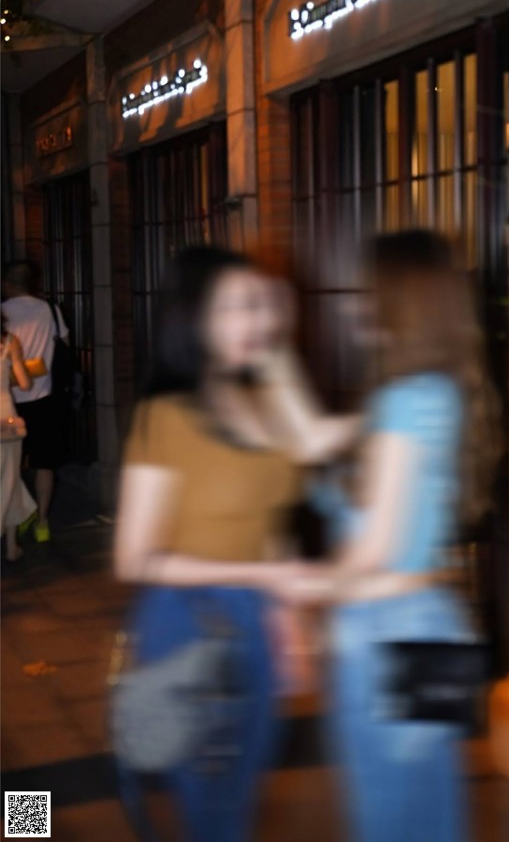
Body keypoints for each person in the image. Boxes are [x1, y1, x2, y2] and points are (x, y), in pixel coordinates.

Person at [113, 246, 360, 842]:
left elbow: (284, 496)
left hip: (255, 621)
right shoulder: (166, 415)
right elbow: (134, 557)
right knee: (211, 815)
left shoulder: (262, 399)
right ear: (196, 318)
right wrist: (263, 579)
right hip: (186, 629)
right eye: (239, 307)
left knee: (239, 803)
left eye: (261, 306)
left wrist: (293, 618)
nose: (258, 321)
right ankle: (24, 821)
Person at [279, 230, 502, 842]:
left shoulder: (403, 403)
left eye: (368, 290)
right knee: (430, 812)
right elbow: (313, 439)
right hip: (432, 620)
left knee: (390, 818)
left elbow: (373, 546)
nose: (356, 303)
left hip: (384, 633)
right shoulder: (437, 394)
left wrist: (305, 589)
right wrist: (273, 355)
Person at [2, 261, 70, 543]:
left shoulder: (3, 312)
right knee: (45, 463)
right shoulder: (50, 310)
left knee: (10, 468)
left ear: (8, 283)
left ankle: (13, 528)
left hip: (9, 401)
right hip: (44, 397)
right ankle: (42, 522)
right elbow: (63, 340)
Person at [0, 313, 37, 562]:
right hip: (7, 418)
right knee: (10, 479)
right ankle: (11, 547)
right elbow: (25, 384)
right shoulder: (10, 342)